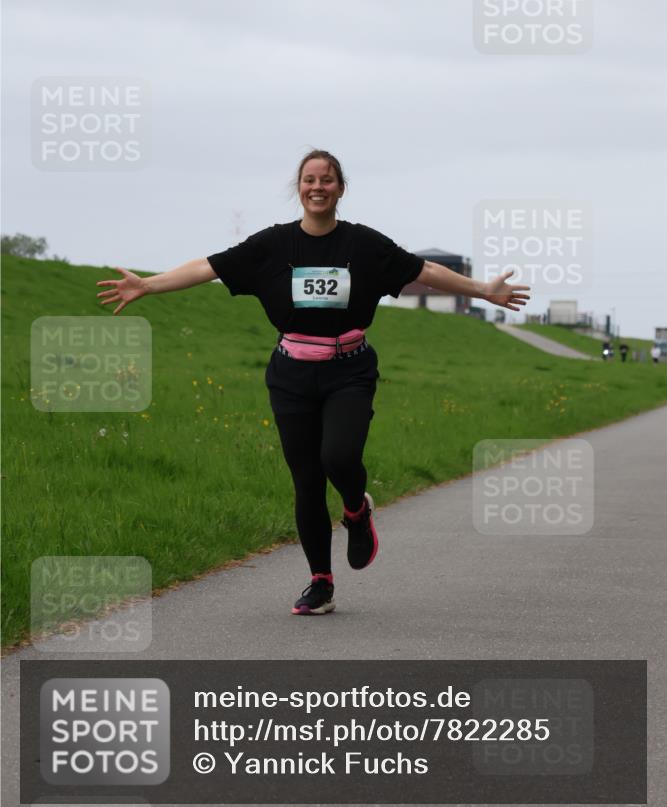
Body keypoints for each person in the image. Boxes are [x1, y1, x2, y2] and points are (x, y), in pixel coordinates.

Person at [96, 150, 530, 615]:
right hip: (291, 375)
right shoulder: (273, 245)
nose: (317, 186)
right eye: (309, 179)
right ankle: (320, 582)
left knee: (338, 456)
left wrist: (484, 289)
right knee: (305, 480)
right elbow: (208, 266)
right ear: (298, 188)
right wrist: (148, 285)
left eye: (327, 179)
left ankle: (355, 510)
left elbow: (424, 271)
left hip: (350, 369)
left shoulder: (364, 244)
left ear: (340, 189)